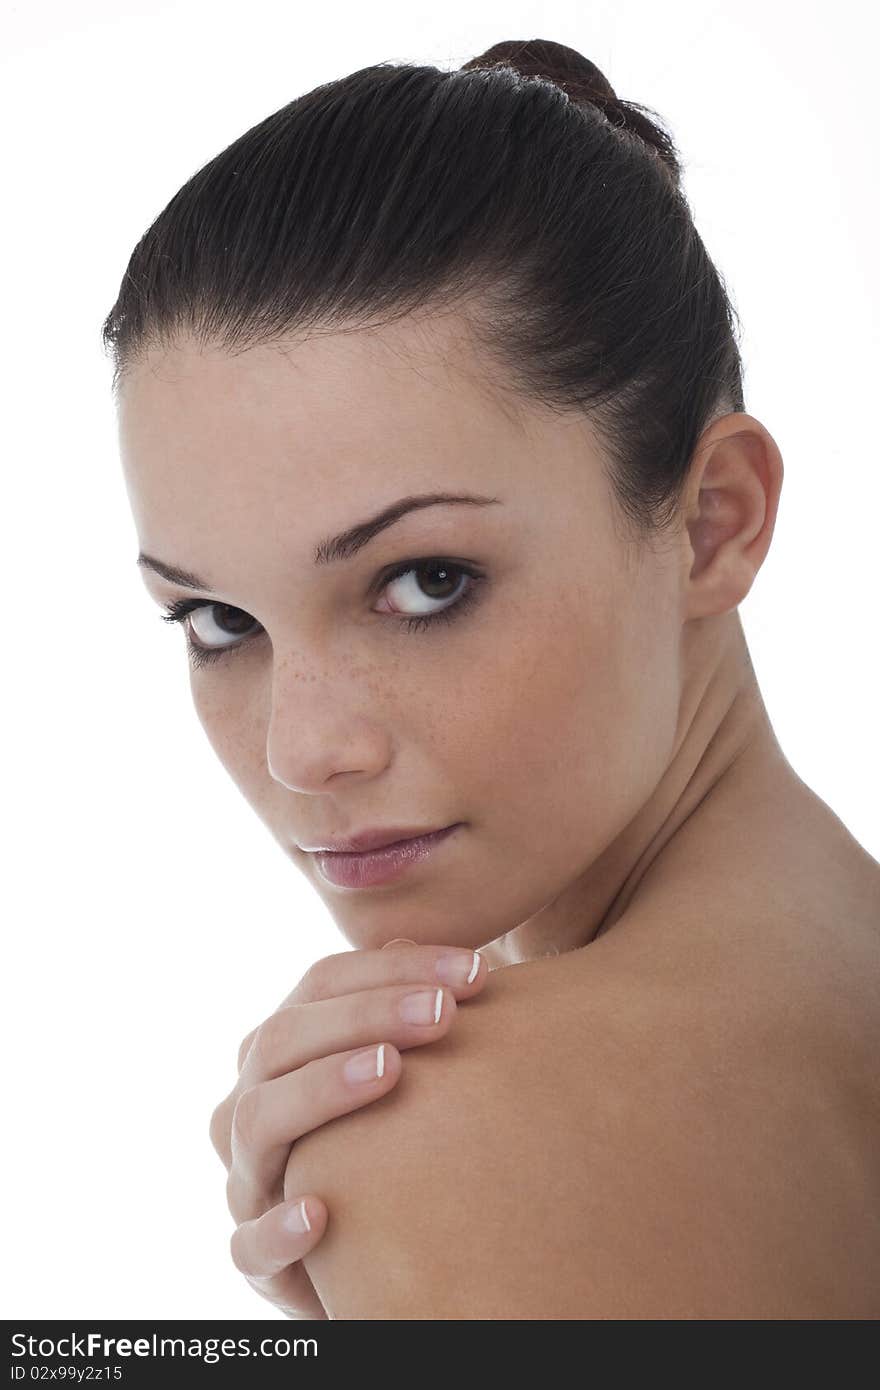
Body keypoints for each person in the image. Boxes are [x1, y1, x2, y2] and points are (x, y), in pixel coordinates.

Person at [105, 38, 880, 1319]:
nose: (303, 752)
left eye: (425, 582)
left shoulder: (443, 1128)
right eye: (218, 619)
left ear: (712, 522)